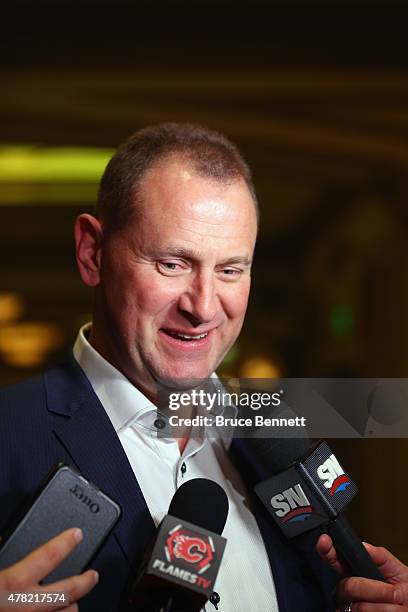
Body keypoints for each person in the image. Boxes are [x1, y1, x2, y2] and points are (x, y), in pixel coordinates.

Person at [0, 123, 407, 611]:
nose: (204, 306)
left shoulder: (271, 443)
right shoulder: (11, 435)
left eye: (230, 269)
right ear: (93, 253)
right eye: (173, 263)